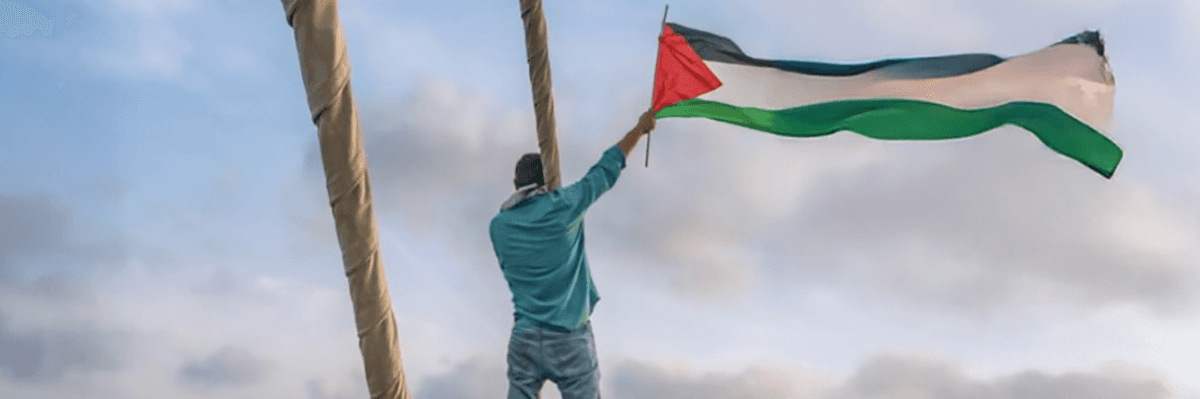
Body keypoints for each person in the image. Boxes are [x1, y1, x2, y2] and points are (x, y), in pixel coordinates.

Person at [489, 110, 657, 399]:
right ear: (549, 179)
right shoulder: (565, 205)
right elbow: (606, 168)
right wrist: (640, 128)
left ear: (516, 184)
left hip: (525, 337)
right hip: (570, 338)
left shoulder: (499, 226)